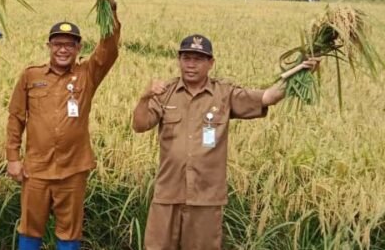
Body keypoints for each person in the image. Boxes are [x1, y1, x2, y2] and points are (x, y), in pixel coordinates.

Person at [132, 34, 321, 250]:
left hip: (206, 197)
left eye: (198, 59)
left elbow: (268, 97)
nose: (191, 65)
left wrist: (301, 71)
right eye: (186, 58)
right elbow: (139, 125)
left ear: (211, 63)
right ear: (179, 60)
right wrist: (144, 97)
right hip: (167, 194)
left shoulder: (224, 94)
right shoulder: (165, 93)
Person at [6, 0, 120, 250]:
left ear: (79, 48)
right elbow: (15, 117)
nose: (63, 50)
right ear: (49, 46)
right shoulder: (31, 75)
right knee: (30, 228)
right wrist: (12, 158)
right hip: (36, 169)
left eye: (70, 45)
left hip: (73, 170)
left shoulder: (87, 74)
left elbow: (109, 49)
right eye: (57, 44)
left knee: (69, 232)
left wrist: (110, 7)